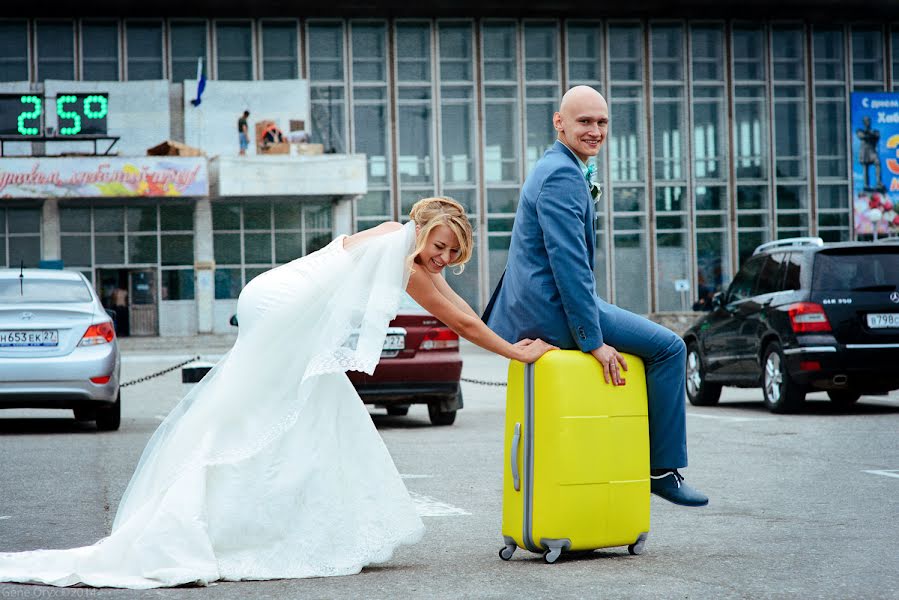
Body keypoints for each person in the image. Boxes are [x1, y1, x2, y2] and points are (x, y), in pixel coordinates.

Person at [0, 197, 555, 589]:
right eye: (441, 246)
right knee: (261, 414)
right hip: (283, 307)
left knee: (308, 409)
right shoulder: (404, 255)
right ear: (425, 227)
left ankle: (289, 520)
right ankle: (216, 522)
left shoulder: (398, 239)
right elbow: (458, 320)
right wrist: (516, 352)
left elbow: (456, 303)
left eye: (451, 253)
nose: (442, 258)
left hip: (273, 294)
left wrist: (506, 336)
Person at [483, 86, 709, 508]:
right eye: (585, 121)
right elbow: (569, 267)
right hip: (552, 310)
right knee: (669, 348)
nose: (595, 130)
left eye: (602, 122)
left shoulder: (558, 166)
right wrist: (593, 341)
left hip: (541, 303)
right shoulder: (563, 175)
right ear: (559, 122)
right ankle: (661, 470)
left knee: (654, 343)